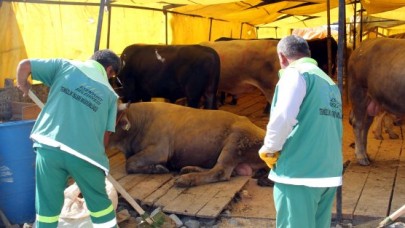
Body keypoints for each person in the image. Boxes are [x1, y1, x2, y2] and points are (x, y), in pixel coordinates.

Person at [16, 49, 121, 228]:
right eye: (112, 76)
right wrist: (96, 162)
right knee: (100, 206)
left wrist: (23, 85)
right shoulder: (111, 96)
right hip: (86, 155)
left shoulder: (65, 66)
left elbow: (24, 65)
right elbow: (105, 136)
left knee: (47, 209)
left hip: (49, 146)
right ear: (110, 70)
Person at [258, 35, 343, 228]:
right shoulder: (329, 82)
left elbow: (283, 118)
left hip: (299, 174)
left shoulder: (295, 74)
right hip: (329, 172)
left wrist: (269, 148)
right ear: (308, 53)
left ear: (282, 57)